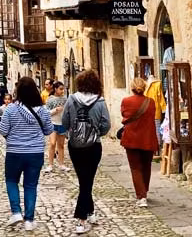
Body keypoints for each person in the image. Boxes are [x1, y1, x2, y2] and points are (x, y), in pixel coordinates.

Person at [0, 76, 53, 232]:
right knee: (30, 185)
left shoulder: (11, 109)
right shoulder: (42, 110)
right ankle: (29, 219)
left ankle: (16, 212)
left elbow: (2, 130)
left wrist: (12, 137)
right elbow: (48, 130)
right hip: (35, 152)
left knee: (11, 181)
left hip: (14, 152)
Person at [62, 70, 111, 234]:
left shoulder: (71, 99)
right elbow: (106, 125)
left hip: (75, 146)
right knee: (87, 180)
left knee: (84, 179)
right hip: (93, 146)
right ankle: (83, 217)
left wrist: (73, 132)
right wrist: (97, 133)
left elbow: (64, 121)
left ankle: (88, 213)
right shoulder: (100, 102)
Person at [119, 77, 157, 209]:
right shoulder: (150, 102)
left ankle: (141, 196)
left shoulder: (126, 101)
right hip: (148, 138)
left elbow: (124, 115)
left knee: (135, 168)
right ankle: (144, 191)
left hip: (132, 139)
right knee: (147, 166)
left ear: (132, 87)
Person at [44, 81, 69, 173]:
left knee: (61, 145)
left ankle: (61, 164)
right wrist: (55, 110)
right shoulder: (50, 99)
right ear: (55, 89)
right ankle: (50, 165)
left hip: (62, 123)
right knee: (52, 143)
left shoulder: (65, 99)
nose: (62, 91)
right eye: (60, 89)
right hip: (52, 123)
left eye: (63, 89)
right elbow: (46, 113)